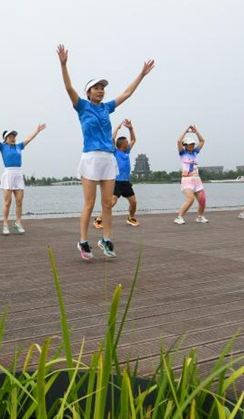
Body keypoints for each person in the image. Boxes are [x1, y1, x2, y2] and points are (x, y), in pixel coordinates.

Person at [56, 44, 154, 260]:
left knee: (107, 203)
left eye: (102, 87)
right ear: (89, 92)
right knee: (90, 204)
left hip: (108, 158)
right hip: (91, 158)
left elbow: (127, 93)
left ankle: (106, 240)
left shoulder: (106, 107)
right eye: (96, 87)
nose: (100, 90)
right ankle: (83, 241)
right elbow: (68, 88)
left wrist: (142, 75)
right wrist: (64, 65)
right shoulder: (81, 106)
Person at [0, 120, 46, 235]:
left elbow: (29, 139)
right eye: (10, 137)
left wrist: (37, 131)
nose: (13, 138)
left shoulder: (19, 146)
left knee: (19, 201)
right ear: (5, 139)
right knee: (7, 202)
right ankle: (5, 224)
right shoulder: (2, 147)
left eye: (13, 136)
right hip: (8, 174)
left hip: (18, 174)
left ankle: (18, 223)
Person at [96, 118, 139, 228]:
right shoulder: (115, 151)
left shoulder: (127, 151)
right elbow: (112, 139)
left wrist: (131, 128)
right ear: (121, 144)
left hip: (126, 182)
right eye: (126, 142)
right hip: (117, 182)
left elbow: (134, 139)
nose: (128, 143)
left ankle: (131, 218)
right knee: (111, 202)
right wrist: (117, 128)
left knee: (133, 202)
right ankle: (98, 219)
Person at [174, 126, 208, 224]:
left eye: (192, 144)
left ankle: (200, 217)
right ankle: (179, 217)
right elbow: (178, 141)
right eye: (189, 144)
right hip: (187, 180)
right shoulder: (182, 153)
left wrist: (196, 132)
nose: (191, 146)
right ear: (185, 145)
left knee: (202, 200)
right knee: (190, 199)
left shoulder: (195, 152)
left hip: (197, 180)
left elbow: (202, 141)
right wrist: (186, 131)